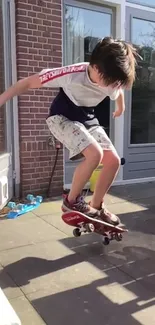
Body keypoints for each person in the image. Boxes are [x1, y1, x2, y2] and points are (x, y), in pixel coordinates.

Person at [0, 37, 138, 225]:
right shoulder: (73, 73)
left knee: (113, 161)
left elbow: (119, 92)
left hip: (87, 117)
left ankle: (96, 207)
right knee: (94, 154)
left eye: (115, 83)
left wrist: (120, 108)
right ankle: (71, 202)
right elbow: (28, 83)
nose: (111, 87)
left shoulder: (112, 80)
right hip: (61, 117)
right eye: (109, 82)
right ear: (95, 68)